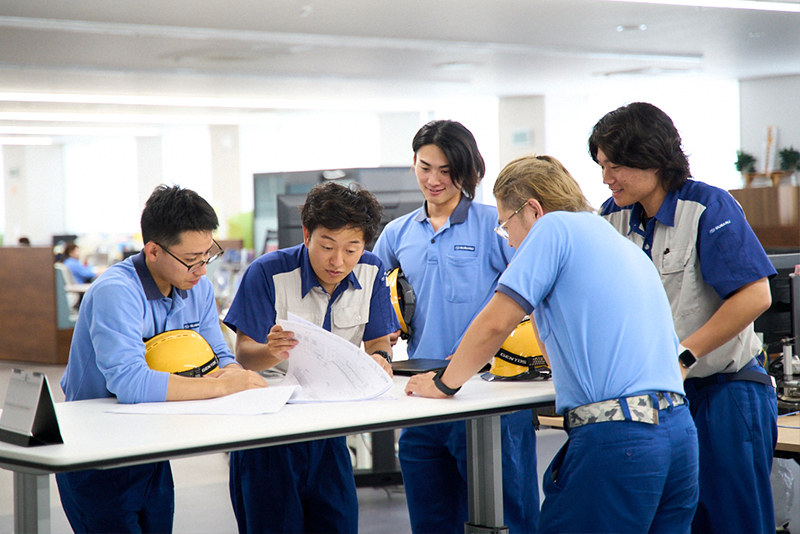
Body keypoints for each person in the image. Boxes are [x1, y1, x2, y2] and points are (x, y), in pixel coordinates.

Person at [406, 154, 700, 534]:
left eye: (505, 226)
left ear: (533, 210)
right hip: (678, 435)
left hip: (621, 439)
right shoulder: (615, 238)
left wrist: (444, 382)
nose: (509, 241)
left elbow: (496, 322)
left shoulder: (553, 228)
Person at [590, 102, 778, 534]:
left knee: (733, 522)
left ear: (652, 159)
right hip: (656, 404)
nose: (606, 178)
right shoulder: (611, 216)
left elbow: (754, 295)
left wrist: (683, 356)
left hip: (722, 395)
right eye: (602, 165)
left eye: (615, 165)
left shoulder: (708, 207)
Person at [56, 184, 267, 534]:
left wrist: (233, 374)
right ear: (153, 251)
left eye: (208, 256)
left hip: (152, 445)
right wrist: (222, 386)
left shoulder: (195, 286)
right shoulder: (117, 292)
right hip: (96, 450)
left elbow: (220, 354)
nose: (202, 270)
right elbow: (130, 383)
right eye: (191, 259)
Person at [373, 120, 539, 534]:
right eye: (425, 166)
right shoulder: (396, 234)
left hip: (490, 395)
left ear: (468, 171)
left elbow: (532, 304)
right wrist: (385, 331)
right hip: (424, 397)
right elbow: (371, 299)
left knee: (508, 520)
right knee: (432, 522)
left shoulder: (497, 226)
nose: (434, 180)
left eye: (446, 170)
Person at [223, 181, 398, 534]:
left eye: (352, 249)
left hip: (329, 431)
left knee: (338, 524)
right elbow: (244, 355)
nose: (338, 261)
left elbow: (379, 340)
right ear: (306, 234)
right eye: (327, 246)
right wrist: (270, 351)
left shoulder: (372, 270)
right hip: (269, 435)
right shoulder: (267, 272)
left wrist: (380, 358)